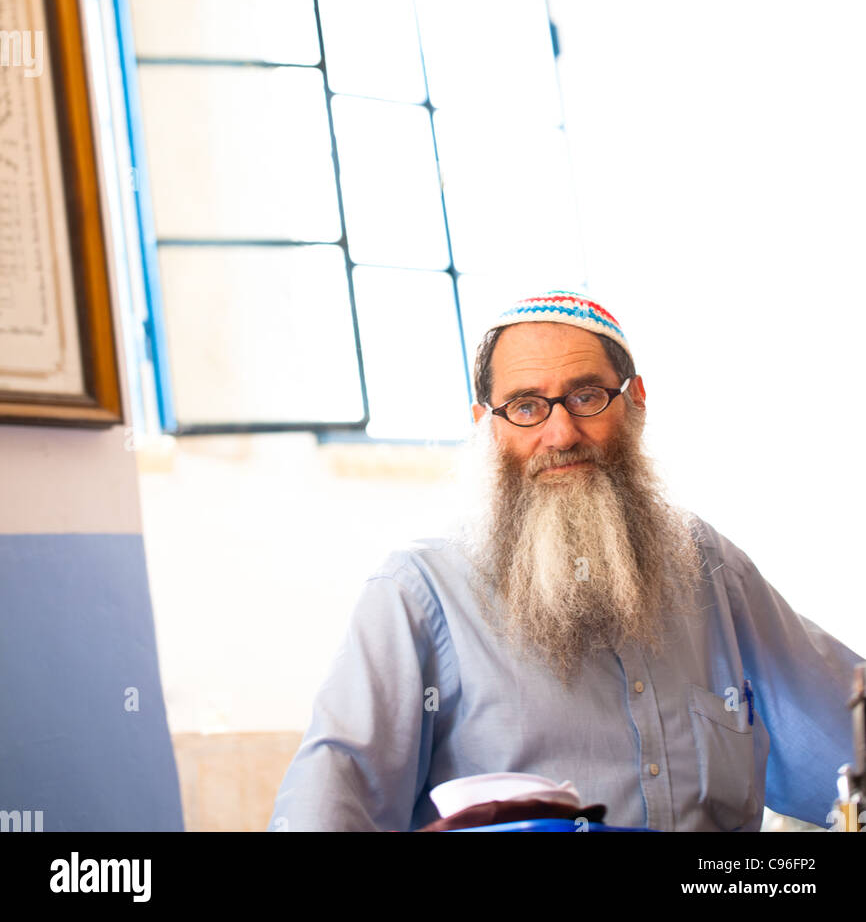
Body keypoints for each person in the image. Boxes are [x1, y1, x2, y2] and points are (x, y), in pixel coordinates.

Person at [268, 289, 863, 832]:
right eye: (526, 406)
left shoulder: (707, 566)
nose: (561, 434)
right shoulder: (419, 594)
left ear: (636, 402)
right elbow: (330, 808)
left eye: (586, 396)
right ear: (486, 426)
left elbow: (844, 738)